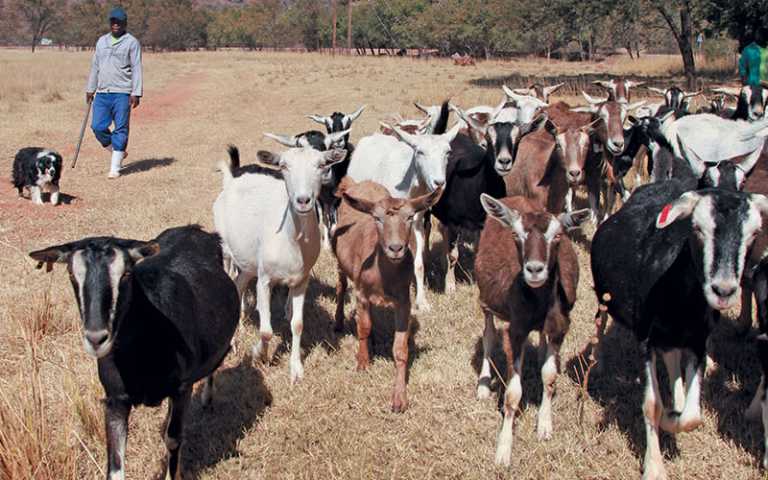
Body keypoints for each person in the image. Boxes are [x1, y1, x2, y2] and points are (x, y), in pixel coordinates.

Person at [85, 6, 142, 179]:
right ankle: (116, 150)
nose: (115, 25)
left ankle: (115, 167)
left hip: (122, 92)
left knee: (121, 128)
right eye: (113, 21)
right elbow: (95, 66)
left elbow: (137, 68)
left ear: (124, 23)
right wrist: (90, 88)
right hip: (102, 92)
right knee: (97, 126)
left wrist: (136, 92)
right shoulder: (101, 41)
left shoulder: (132, 42)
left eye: (119, 22)